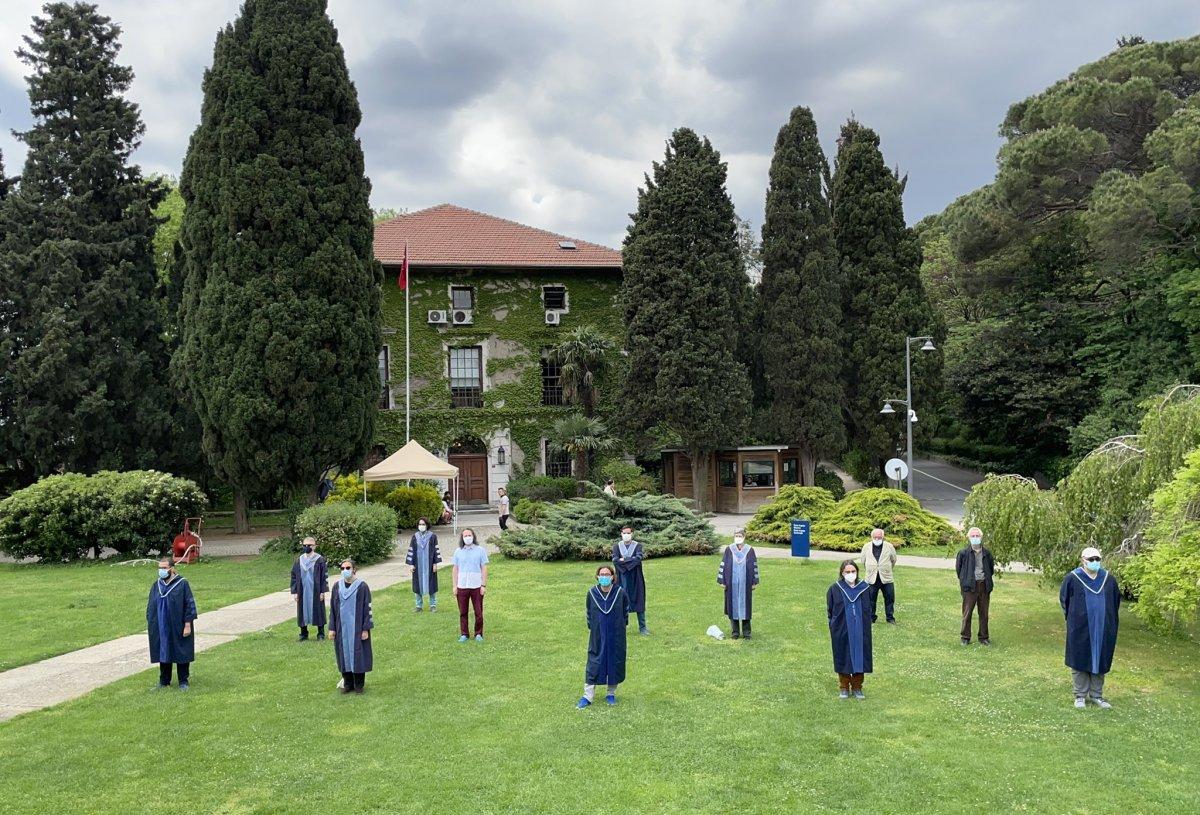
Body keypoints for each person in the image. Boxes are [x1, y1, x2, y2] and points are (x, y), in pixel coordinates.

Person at [1060, 547, 1120, 709]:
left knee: (1100, 659)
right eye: (1091, 559)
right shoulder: (1072, 578)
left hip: (1103, 627)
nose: (1095, 562)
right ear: (1083, 560)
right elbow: (1064, 601)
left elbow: (1115, 603)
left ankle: (1096, 695)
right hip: (1080, 626)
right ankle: (1080, 695)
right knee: (1080, 658)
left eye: (1097, 559)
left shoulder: (1108, 579)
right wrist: (1074, 619)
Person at [578, 565, 629, 708]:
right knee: (594, 662)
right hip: (598, 634)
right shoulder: (592, 593)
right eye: (602, 574)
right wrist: (595, 628)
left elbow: (625, 612)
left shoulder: (620, 593)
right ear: (597, 576)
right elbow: (589, 613)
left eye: (607, 574)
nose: (604, 577)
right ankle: (587, 696)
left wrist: (620, 628)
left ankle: (611, 693)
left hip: (616, 634)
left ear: (613, 577)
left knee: (614, 661)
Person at [147, 558, 198, 690]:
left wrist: (187, 624)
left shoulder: (182, 584)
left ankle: (183, 681)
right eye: (160, 568)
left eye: (164, 568)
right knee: (163, 651)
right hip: (161, 625)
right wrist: (152, 622)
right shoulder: (156, 585)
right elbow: (151, 605)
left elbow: (189, 604)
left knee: (181, 651)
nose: (161, 571)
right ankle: (164, 681)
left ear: (172, 568)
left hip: (178, 624)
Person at [827, 559, 872, 699]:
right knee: (843, 655)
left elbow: (869, 608)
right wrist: (834, 625)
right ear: (842, 572)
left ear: (857, 572)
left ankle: (857, 686)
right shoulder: (835, 588)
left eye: (853, 571)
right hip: (841, 628)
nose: (851, 574)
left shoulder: (864, 588)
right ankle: (844, 686)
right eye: (847, 572)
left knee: (861, 655)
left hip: (861, 628)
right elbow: (830, 610)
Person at [328, 559, 373, 694]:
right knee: (343, 655)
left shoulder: (362, 586)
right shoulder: (337, 586)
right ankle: (347, 683)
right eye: (342, 568)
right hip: (341, 628)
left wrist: (365, 628)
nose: (345, 571)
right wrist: (332, 628)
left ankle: (359, 685)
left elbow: (367, 608)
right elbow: (333, 609)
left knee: (358, 655)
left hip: (357, 628)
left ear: (354, 569)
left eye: (348, 567)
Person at [717, 529, 759, 639]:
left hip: (746, 583)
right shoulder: (729, 549)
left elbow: (753, 566)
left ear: (744, 536)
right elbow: (724, 565)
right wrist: (722, 581)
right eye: (736, 535)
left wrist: (754, 582)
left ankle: (747, 633)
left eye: (740, 535)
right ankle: (735, 633)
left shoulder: (749, 550)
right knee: (732, 607)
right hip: (731, 584)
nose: (738, 537)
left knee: (746, 608)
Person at [955, 526, 994, 645]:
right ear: (969, 538)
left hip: (983, 586)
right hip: (969, 587)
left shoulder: (987, 553)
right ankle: (965, 637)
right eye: (973, 536)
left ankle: (984, 637)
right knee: (967, 613)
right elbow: (959, 570)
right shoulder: (963, 553)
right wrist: (965, 581)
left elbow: (990, 569)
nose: (975, 538)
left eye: (977, 536)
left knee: (984, 613)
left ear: (981, 537)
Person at [452, 528, 488, 642]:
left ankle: (478, 633)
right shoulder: (458, 551)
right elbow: (455, 569)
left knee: (478, 611)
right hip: (462, 586)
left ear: (473, 536)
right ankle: (464, 634)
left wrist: (483, 585)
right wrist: (454, 586)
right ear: (462, 538)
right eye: (465, 536)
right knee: (463, 612)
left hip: (476, 585)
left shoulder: (480, 550)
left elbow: (484, 568)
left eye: (469, 535)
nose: (467, 537)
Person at [613, 525, 649, 635]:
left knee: (639, 600)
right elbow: (615, 560)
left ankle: (642, 627)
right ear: (621, 533)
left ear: (632, 533)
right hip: (622, 577)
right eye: (624, 533)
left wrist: (623, 560)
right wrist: (628, 562)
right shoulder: (616, 547)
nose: (626, 535)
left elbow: (638, 558)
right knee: (621, 601)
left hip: (636, 577)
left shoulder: (638, 546)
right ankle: (621, 627)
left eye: (628, 533)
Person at [290, 536, 328, 640]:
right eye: (304, 545)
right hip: (302, 590)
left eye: (309, 545)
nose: (307, 547)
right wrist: (295, 592)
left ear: (314, 546)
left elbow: (324, 576)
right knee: (302, 611)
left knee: (318, 611)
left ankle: (320, 634)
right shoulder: (299, 560)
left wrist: (322, 591)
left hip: (316, 590)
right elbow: (294, 576)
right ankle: (303, 634)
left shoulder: (319, 560)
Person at [860, 527, 898, 624]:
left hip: (886, 577)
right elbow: (863, 561)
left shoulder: (889, 546)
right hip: (871, 578)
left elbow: (893, 560)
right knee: (871, 599)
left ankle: (890, 618)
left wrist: (885, 568)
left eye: (879, 537)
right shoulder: (866, 547)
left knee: (889, 598)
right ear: (872, 537)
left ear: (883, 537)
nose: (877, 539)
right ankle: (871, 618)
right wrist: (871, 569)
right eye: (875, 537)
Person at [405, 517, 442, 612]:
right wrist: (411, 564)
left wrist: (435, 564)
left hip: (429, 565)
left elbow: (435, 551)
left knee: (432, 585)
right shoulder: (415, 536)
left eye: (423, 524)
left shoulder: (432, 536)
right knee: (417, 585)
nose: (421, 526)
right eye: (420, 524)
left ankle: (433, 605)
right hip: (418, 565)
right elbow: (411, 550)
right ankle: (418, 606)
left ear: (427, 525)